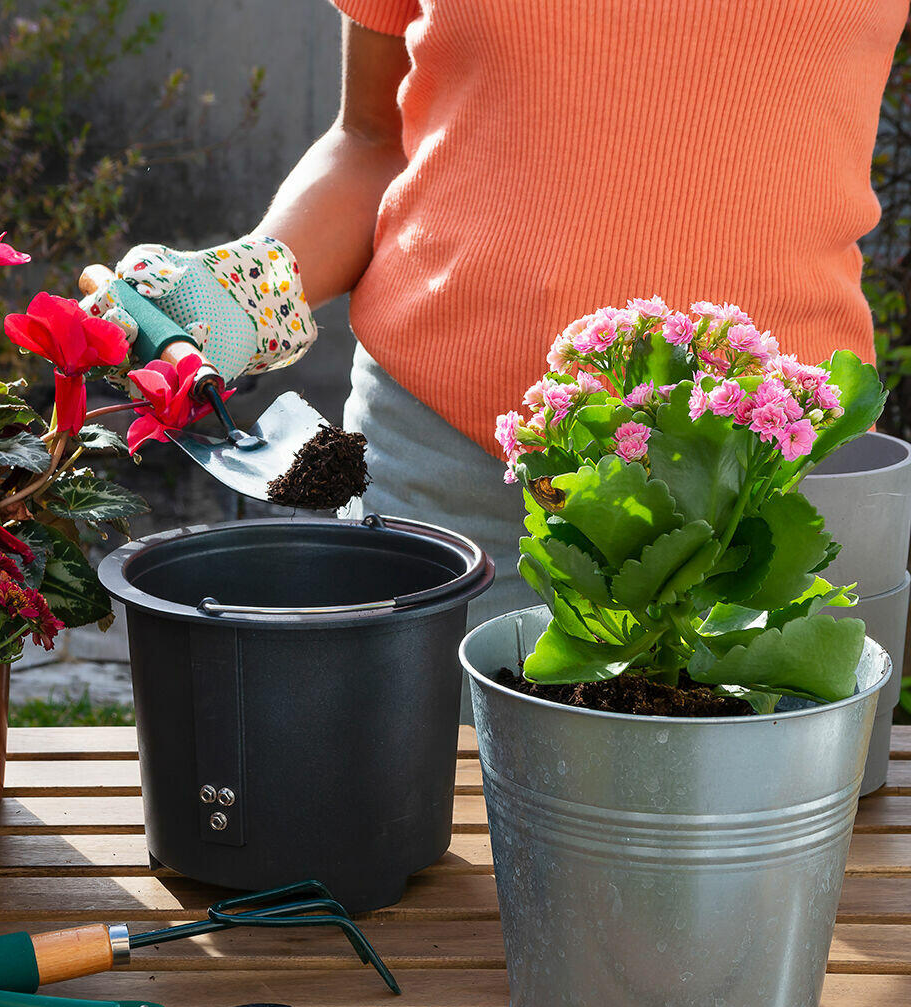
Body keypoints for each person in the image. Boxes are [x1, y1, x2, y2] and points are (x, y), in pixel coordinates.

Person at [86, 0, 909, 638]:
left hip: (768, 502)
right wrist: (242, 294)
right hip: (452, 491)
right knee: (417, 808)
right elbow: (374, 137)